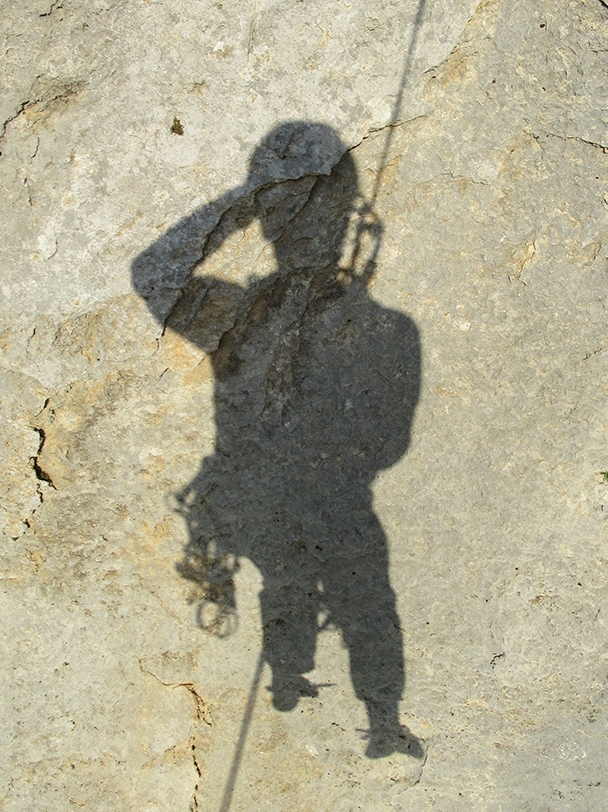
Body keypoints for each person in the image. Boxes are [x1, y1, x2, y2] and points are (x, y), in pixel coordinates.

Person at [132, 121, 422, 757]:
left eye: (324, 216)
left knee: (366, 595)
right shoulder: (237, 310)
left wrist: (326, 442)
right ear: (268, 228)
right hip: (266, 491)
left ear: (351, 225)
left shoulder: (385, 329)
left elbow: (391, 440)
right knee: (286, 582)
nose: (309, 233)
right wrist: (242, 202)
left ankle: (383, 716)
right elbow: (151, 274)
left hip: (336, 493)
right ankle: (290, 674)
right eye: (286, 218)